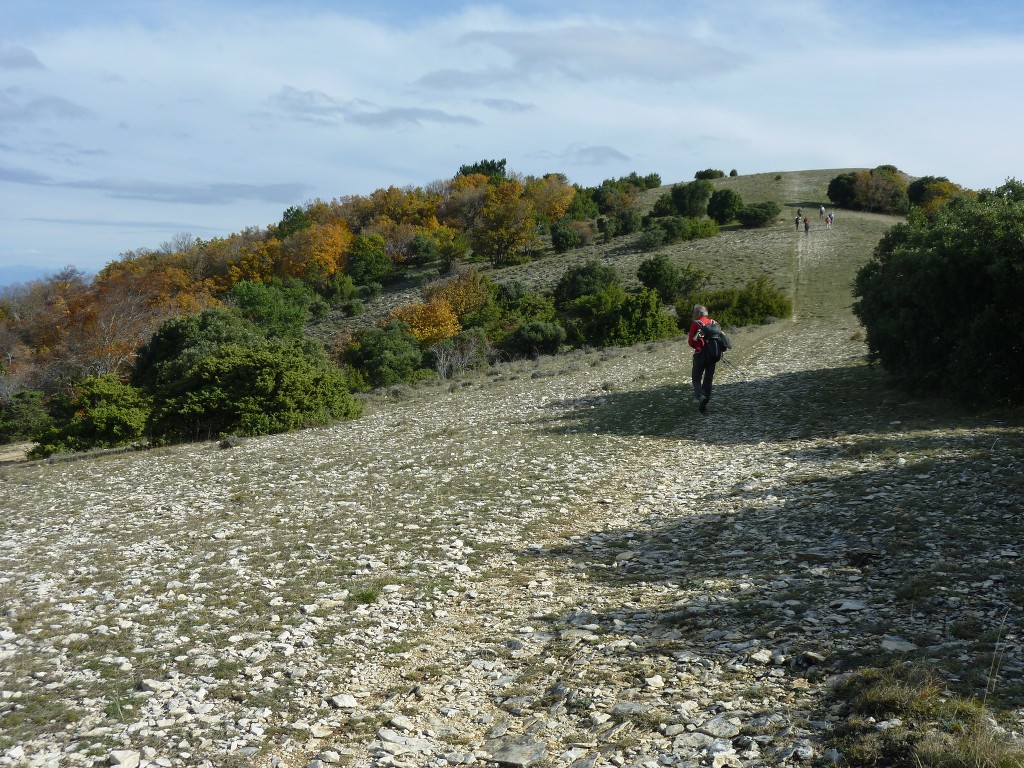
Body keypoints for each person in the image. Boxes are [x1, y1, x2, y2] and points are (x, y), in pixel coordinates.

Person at [688, 304, 719, 415]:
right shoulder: (714, 323)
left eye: (694, 313)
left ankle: (700, 396)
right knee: (708, 380)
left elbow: (691, 342)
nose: (693, 315)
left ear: (698, 314)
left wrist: (698, 347)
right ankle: (704, 406)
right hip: (713, 356)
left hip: (700, 355)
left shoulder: (696, 324)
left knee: (696, 379)